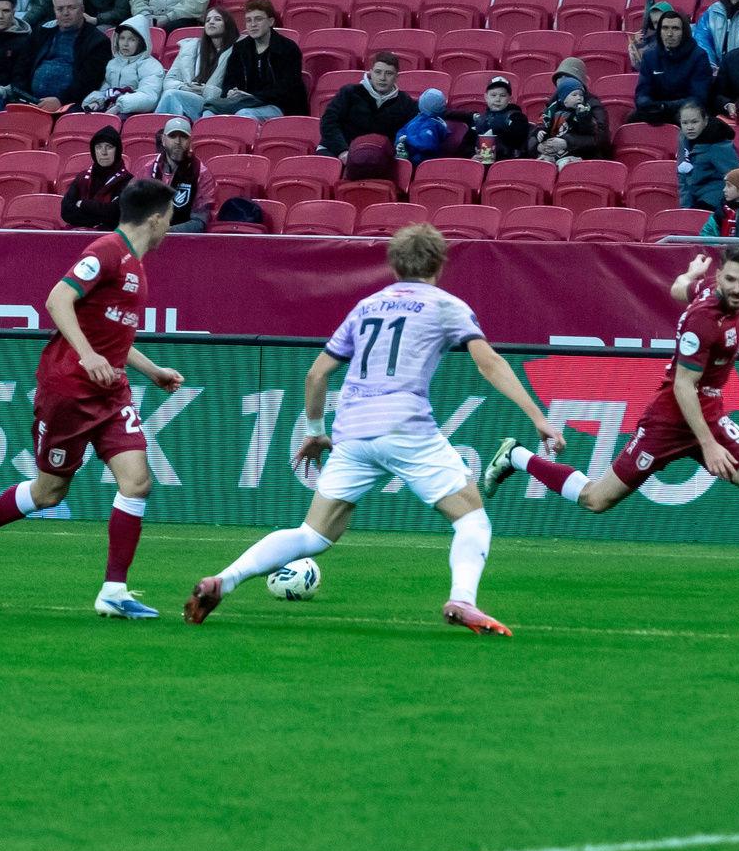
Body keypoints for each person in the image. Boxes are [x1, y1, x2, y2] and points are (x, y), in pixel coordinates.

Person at [187, 223, 565, 634]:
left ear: (394, 265)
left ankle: (224, 579)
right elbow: (488, 363)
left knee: (312, 535)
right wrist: (538, 416)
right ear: (440, 264)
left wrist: (314, 431)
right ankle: (462, 600)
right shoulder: (446, 305)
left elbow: (316, 374)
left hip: (352, 431)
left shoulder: (366, 307)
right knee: (472, 520)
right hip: (405, 428)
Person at [485, 245, 739, 599]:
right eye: (730, 279)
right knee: (596, 499)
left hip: (709, 414)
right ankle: (516, 457)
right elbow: (684, 386)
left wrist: (690, 274)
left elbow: (676, 289)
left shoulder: (708, 291)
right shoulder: (705, 321)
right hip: (669, 422)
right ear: (720, 277)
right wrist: (708, 444)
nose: (736, 288)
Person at [0, 181, 186, 620]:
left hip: (111, 392)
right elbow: (57, 299)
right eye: (170, 217)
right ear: (155, 218)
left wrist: (151, 370)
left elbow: (110, 336)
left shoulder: (136, 264)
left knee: (137, 482)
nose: (171, 227)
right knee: (49, 493)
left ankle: (113, 591)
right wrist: (87, 355)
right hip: (68, 391)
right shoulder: (107, 251)